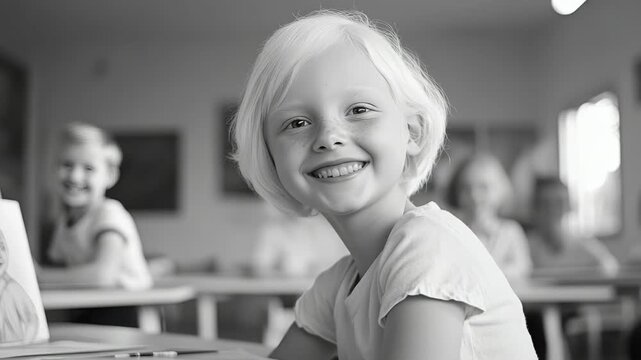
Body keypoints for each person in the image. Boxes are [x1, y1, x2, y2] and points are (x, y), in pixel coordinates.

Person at [232, 10, 537, 359]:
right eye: (297, 122)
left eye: (359, 110)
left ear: (413, 132)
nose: (329, 137)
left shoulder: (428, 247)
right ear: (269, 157)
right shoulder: (340, 285)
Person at [37, 122, 152, 290]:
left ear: (110, 176)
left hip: (125, 308)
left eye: (88, 168)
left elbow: (103, 276)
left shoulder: (110, 214)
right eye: (67, 165)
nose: (75, 177)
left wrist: (41, 276)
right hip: (88, 305)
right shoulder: (64, 222)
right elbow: (61, 270)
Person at [445, 152, 532, 281]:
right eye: (466, 188)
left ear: (500, 191)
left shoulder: (511, 232)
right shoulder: (453, 231)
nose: (474, 196)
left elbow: (522, 268)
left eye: (483, 187)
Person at [527, 176, 619, 276]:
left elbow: (610, 268)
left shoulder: (585, 245)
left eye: (558, 204)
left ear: (568, 207)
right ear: (535, 209)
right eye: (546, 205)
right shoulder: (524, 247)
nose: (552, 211)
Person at [0, 229, 39, 345]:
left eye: (1, 247)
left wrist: (24, 345)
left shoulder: (12, 288)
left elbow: (32, 319)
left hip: (13, 353)